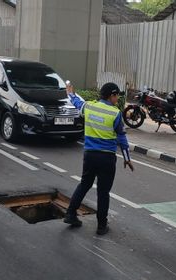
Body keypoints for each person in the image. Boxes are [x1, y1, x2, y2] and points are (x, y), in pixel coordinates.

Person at [64, 82, 134, 235]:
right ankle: (102, 226)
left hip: (89, 155)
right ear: (111, 96)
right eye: (117, 96)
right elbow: (122, 138)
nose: (118, 99)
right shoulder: (115, 113)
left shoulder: (89, 107)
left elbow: (77, 103)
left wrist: (70, 93)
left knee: (84, 184)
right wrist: (127, 158)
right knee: (103, 191)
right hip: (107, 158)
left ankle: (70, 213)